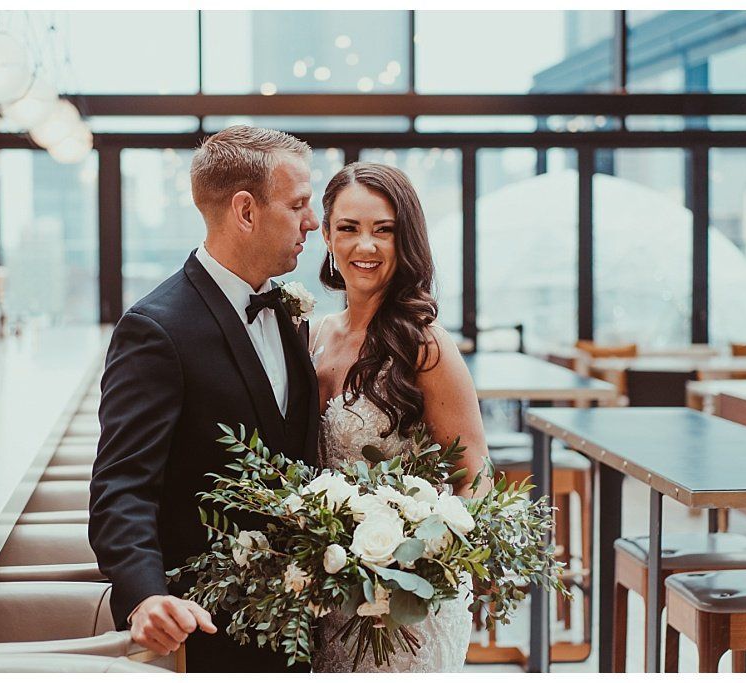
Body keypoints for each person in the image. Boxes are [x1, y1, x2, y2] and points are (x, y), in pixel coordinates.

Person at [89, 125, 321, 673]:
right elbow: (121, 484)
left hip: (305, 617)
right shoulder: (155, 328)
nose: (312, 222)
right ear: (246, 211)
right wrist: (145, 596)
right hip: (209, 626)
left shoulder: (285, 309)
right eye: (298, 205)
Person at [309, 162, 492, 672]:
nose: (364, 246)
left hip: (408, 599)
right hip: (330, 588)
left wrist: (427, 557)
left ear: (405, 239)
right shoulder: (314, 335)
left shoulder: (424, 344)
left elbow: (473, 473)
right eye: (349, 228)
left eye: (383, 230)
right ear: (326, 235)